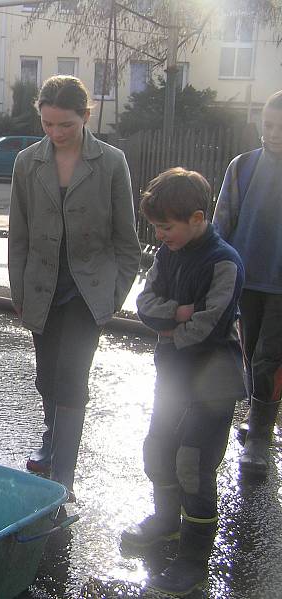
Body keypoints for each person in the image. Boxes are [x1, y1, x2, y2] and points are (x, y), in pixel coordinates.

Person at [8, 75, 140, 499]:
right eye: (47, 124)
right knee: (46, 377)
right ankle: (52, 441)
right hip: (42, 287)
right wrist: (19, 293)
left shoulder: (112, 161)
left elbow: (127, 241)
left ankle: (64, 475)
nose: (56, 133)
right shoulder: (27, 162)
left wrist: (113, 294)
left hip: (88, 290)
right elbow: (19, 236)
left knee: (72, 377)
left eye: (65, 124)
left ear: (86, 116)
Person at [123, 168, 244, 597]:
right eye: (155, 226)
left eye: (166, 227)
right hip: (173, 375)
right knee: (158, 449)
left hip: (214, 383)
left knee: (193, 466)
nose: (160, 234)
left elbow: (212, 325)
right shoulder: (166, 254)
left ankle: (194, 559)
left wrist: (172, 331)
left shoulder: (224, 262)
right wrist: (176, 316)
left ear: (197, 219)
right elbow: (143, 304)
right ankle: (165, 523)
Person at [213, 90, 282, 479]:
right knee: (249, 353)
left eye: (281, 128)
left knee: (268, 358)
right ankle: (260, 420)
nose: (273, 134)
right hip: (247, 279)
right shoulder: (243, 167)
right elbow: (223, 224)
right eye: (269, 125)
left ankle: (258, 438)